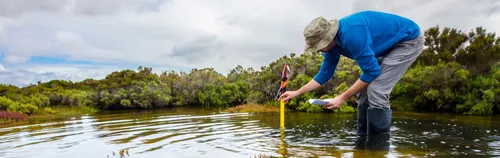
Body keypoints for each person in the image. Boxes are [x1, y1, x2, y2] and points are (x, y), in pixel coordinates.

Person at [280, 10, 424, 136]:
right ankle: (362, 141)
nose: (318, 50)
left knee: (377, 89)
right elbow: (325, 73)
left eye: (319, 46)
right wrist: (297, 92)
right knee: (363, 93)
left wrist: (341, 98)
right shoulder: (331, 47)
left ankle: (377, 146)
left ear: (328, 39)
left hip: (407, 41)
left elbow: (371, 71)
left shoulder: (351, 35)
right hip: (386, 47)